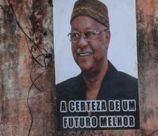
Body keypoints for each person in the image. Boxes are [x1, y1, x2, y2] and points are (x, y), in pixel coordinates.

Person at [55, 0, 139, 129]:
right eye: (75, 35)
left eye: (89, 34)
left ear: (107, 37)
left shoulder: (135, 92)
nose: (81, 43)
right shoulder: (58, 95)